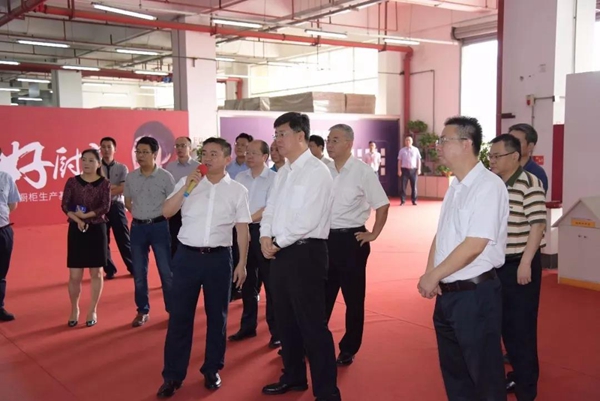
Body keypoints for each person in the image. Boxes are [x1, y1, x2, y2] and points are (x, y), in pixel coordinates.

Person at [417, 116, 508, 401]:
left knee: (485, 377)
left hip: (475, 295)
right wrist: (431, 273)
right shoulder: (456, 186)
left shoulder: (488, 186)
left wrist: (434, 275)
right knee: (456, 376)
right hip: (449, 295)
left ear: (466, 144)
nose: (438, 146)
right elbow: (442, 234)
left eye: (444, 140)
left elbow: (475, 245)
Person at [157, 137, 251, 397]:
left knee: (217, 317)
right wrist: (186, 187)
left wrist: (242, 263)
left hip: (219, 259)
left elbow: (242, 229)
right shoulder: (187, 182)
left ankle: (212, 368)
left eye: (214, 154)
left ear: (227, 159)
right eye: (205, 153)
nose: (207, 158)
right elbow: (166, 212)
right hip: (186, 257)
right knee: (180, 317)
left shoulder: (237, 191)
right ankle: (173, 376)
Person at [260, 112, 341, 401]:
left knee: (312, 325)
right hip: (280, 253)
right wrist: (264, 236)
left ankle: (327, 392)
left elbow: (308, 219)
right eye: (275, 134)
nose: (277, 140)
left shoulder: (317, 172)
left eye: (282, 134)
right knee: (285, 320)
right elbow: (270, 209)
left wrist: (276, 242)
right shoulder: (283, 172)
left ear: (300, 136)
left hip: (306, 253)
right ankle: (293, 376)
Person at [324, 124, 390, 366]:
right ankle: (316, 343)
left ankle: (349, 347)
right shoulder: (323, 170)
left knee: (353, 299)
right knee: (322, 297)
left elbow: (382, 204)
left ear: (349, 144)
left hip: (352, 241)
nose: (329, 144)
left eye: (335, 140)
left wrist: (374, 233)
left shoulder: (362, 171)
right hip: (324, 240)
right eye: (328, 139)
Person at [489, 134, 547, 400]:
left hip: (520, 264)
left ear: (514, 156)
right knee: (504, 326)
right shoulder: (495, 184)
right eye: (490, 156)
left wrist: (525, 263)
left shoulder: (529, 183)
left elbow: (537, 225)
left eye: (497, 156)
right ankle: (517, 376)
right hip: (498, 265)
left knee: (521, 328)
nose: (492, 160)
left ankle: (527, 389)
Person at [229, 140, 279, 348]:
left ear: (265, 157)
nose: (248, 156)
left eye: (253, 153)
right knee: (247, 282)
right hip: (242, 231)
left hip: (264, 232)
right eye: (247, 152)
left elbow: (270, 207)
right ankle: (248, 326)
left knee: (271, 283)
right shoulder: (240, 177)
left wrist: (246, 220)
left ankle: (277, 331)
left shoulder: (275, 178)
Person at [124, 136, 176, 327]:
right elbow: (127, 201)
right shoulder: (131, 177)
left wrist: (155, 216)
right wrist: (140, 214)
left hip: (159, 226)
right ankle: (142, 310)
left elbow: (173, 202)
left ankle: (173, 310)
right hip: (138, 228)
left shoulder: (165, 177)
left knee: (166, 271)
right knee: (139, 272)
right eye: (138, 152)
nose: (140, 155)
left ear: (155, 154)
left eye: (145, 152)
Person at [61, 149, 111, 327]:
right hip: (76, 229)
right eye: (84, 160)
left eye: (91, 160)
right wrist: (78, 220)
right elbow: (65, 205)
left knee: (96, 272)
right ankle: (74, 308)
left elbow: (105, 207)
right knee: (75, 275)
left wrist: (86, 216)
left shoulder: (104, 183)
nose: (86, 163)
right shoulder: (72, 182)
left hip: (97, 229)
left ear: (98, 163)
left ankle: (92, 309)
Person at [100, 136, 134, 279]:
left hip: (117, 206)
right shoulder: (95, 167)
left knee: (124, 238)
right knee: (102, 239)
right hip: (100, 208)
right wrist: (114, 187)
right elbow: (94, 190)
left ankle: (133, 267)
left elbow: (123, 188)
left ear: (115, 149)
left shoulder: (122, 168)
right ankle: (109, 269)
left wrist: (105, 190)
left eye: (109, 147)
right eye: (103, 147)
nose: (106, 150)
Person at [165, 137, 200, 257]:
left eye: (183, 145)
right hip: (175, 208)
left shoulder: (198, 167)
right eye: (177, 146)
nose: (179, 148)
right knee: (174, 240)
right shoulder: (170, 167)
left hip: (192, 208)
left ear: (190, 148)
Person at [0, 149, 21, 322]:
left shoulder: (6, 178)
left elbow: (12, 204)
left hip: (3, 230)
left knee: (1, 271)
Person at [508, 123, 548, 193]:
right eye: (509, 141)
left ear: (530, 146)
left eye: (517, 142)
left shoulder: (536, 174)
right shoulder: (501, 170)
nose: (510, 145)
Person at [397, 135, 421, 205]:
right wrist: (399, 170)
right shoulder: (402, 150)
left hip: (413, 170)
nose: (408, 142)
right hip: (404, 170)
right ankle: (402, 200)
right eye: (406, 140)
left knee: (414, 186)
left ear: (412, 142)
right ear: (405, 142)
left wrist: (419, 169)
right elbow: (399, 161)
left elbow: (418, 160)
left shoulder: (416, 150)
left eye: (409, 140)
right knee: (403, 186)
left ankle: (414, 200)